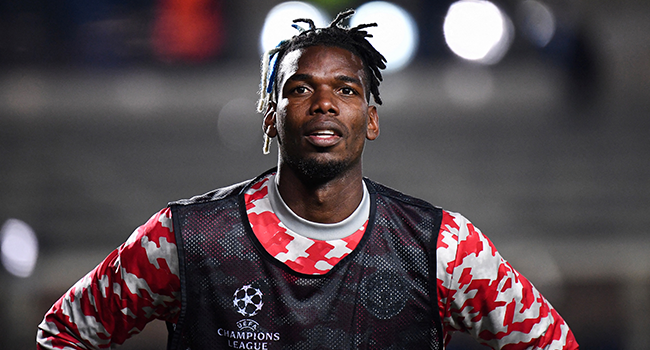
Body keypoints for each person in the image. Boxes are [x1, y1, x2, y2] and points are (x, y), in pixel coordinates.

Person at [37, 10, 578, 350]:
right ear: (270, 118)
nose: (323, 104)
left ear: (370, 118)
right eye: (299, 89)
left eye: (345, 90)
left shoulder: (442, 247)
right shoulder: (185, 238)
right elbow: (63, 334)